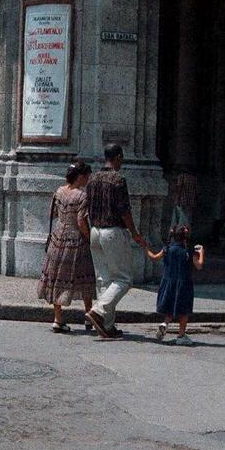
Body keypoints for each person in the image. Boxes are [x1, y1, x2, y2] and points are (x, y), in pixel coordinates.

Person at [83, 143, 147, 339]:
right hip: (112, 231)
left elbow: (87, 206)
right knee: (123, 279)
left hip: (95, 230)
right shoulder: (118, 180)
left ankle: (107, 326)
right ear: (118, 157)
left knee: (104, 279)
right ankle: (99, 310)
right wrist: (134, 232)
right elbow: (124, 209)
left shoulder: (92, 178)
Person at [37, 160, 95, 333]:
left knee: (57, 277)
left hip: (58, 237)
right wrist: (89, 237)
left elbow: (53, 214)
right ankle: (88, 316)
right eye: (87, 176)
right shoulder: (82, 196)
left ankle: (57, 319)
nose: (87, 180)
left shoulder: (59, 191)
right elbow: (81, 221)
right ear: (81, 176)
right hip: (76, 240)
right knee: (85, 276)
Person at [147, 226, 204, 345]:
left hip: (168, 282)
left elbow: (154, 257)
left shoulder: (167, 249)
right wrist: (201, 253)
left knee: (171, 306)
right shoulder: (188, 251)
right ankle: (181, 335)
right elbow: (199, 265)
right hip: (184, 283)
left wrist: (145, 247)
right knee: (183, 311)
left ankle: (165, 324)